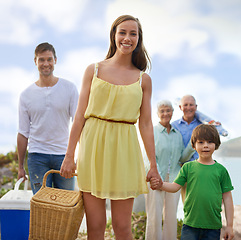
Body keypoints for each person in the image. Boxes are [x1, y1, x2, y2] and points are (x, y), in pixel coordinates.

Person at [60, 15, 162, 240]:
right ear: (114, 36)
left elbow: (145, 123)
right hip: (93, 148)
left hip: (125, 151)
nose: (127, 38)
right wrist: (69, 155)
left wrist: (152, 165)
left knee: (122, 228)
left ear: (139, 39)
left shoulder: (143, 80)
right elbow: (79, 116)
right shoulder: (93, 70)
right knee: (95, 226)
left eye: (133, 33)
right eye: (122, 32)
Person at [151, 124, 234, 240]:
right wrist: (161, 185)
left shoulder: (221, 170)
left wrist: (229, 226)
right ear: (194, 145)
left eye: (210, 142)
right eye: (201, 142)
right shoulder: (188, 167)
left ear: (216, 144)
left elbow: (227, 198)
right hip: (190, 225)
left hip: (213, 226)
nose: (205, 146)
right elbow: (175, 187)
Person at [17, 42, 79, 194]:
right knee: (42, 205)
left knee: (65, 204)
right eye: (42, 60)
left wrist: (76, 156)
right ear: (35, 61)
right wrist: (20, 167)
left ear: (55, 61)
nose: (46, 64)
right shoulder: (26, 95)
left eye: (49, 59)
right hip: (37, 157)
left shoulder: (69, 88)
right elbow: (23, 132)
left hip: (64, 156)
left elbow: (78, 123)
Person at [144, 100, 195, 240]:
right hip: (155, 180)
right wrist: (158, 178)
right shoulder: (151, 132)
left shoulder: (176, 134)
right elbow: (148, 156)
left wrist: (192, 144)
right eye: (162, 111)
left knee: (171, 217)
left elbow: (182, 157)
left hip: (174, 180)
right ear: (157, 113)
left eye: (168, 110)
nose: (165, 113)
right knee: (154, 216)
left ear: (173, 112)